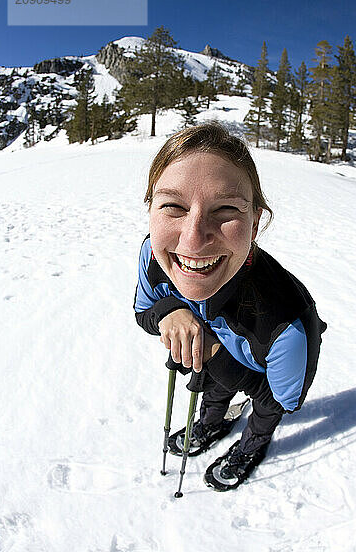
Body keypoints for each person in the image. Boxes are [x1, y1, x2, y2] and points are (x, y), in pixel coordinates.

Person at [134, 122, 327, 491]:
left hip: (263, 371)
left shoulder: (289, 325)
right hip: (214, 351)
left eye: (225, 209)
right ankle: (211, 422)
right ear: (152, 210)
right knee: (211, 388)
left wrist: (216, 354)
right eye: (173, 206)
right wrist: (171, 312)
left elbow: (282, 398)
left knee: (264, 415)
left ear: (254, 225)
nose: (192, 238)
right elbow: (146, 310)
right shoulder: (154, 254)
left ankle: (251, 445)